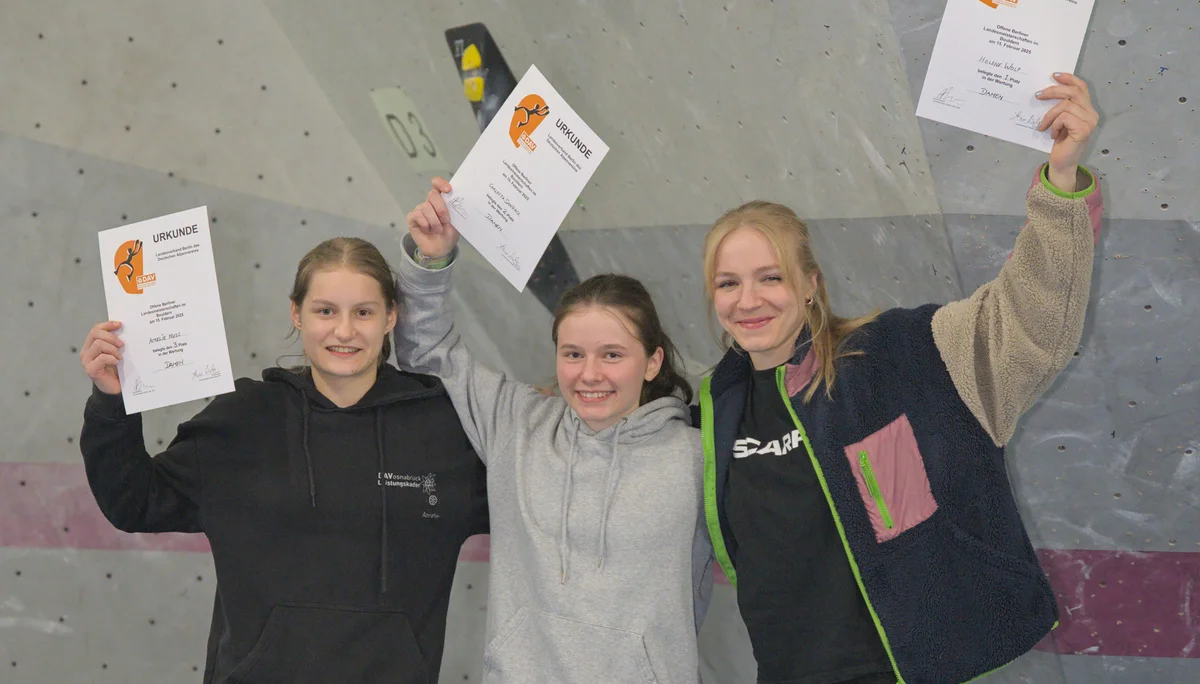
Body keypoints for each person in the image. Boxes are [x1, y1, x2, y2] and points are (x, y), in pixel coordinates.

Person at [697, 72, 1104, 684]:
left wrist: (1061, 182)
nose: (747, 300)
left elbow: (1027, 323)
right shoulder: (715, 406)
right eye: (728, 283)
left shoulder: (895, 358)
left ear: (810, 285)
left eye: (770, 277)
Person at [78, 237, 488, 684]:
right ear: (297, 313)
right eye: (325, 311)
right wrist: (111, 402)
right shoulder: (242, 419)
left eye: (363, 312)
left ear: (390, 317)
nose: (344, 331)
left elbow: (529, 509)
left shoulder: (443, 428)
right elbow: (135, 502)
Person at [397, 187, 714, 684]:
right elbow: (427, 352)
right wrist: (430, 261)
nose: (590, 374)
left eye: (612, 355)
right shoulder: (515, 424)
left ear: (652, 362)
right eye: (573, 354)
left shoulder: (698, 458)